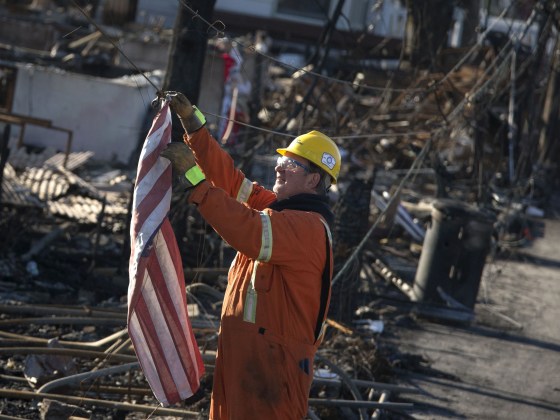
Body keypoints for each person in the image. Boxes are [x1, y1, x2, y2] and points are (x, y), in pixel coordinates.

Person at [160, 91, 342, 419]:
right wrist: (194, 126)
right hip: (248, 357)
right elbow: (232, 183)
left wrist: (195, 183)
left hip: (273, 368)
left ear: (313, 178)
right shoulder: (280, 209)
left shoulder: (308, 228)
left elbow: (250, 231)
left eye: (291, 162)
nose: (279, 165)